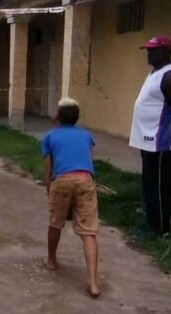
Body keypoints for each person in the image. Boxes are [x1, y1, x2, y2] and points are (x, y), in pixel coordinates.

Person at [129, 36, 171, 236]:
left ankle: (159, 228)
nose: (148, 54)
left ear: (165, 52)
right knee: (150, 181)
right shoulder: (155, 73)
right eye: (147, 50)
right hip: (148, 139)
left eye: (153, 50)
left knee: (159, 184)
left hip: (161, 140)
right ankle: (152, 218)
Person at [42, 97, 100, 297]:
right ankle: (92, 281)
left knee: (55, 222)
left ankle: (51, 260)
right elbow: (89, 161)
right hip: (85, 179)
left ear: (57, 115)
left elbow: (48, 168)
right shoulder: (86, 136)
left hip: (62, 180)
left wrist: (49, 188)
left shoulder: (49, 137)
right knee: (89, 232)